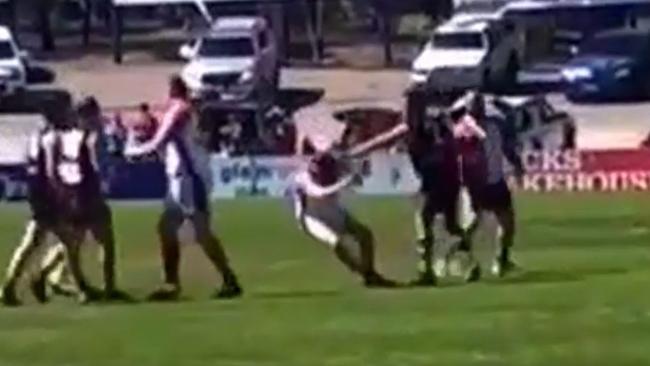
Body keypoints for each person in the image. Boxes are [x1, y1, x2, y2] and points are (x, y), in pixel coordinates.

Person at [124, 75, 242, 301]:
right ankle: (174, 283)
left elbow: (160, 141)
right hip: (182, 177)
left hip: (189, 177)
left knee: (200, 231)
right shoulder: (179, 110)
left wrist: (134, 150)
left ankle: (226, 279)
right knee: (169, 228)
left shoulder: (179, 110)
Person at [1, 100, 124, 306]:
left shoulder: (37, 135)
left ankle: (15, 285)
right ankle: (80, 289)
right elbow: (53, 171)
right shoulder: (54, 138)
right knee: (68, 244)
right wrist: (62, 195)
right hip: (52, 196)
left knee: (38, 242)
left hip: (38, 192)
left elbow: (31, 163)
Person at [291, 136, 397, 288]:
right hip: (312, 218)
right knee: (336, 242)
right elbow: (321, 192)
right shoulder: (303, 178)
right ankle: (363, 272)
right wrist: (345, 182)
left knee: (365, 235)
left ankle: (370, 272)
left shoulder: (333, 168)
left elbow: (359, 178)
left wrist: (360, 171)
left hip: (333, 211)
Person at [403, 87, 476, 285]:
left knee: (424, 220)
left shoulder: (420, 126)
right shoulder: (434, 124)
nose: (407, 107)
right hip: (445, 179)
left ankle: (426, 271)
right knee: (451, 226)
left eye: (410, 103)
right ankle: (470, 264)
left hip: (436, 180)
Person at [451, 91, 525, 277]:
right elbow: (457, 157)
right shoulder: (462, 129)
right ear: (467, 107)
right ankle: (464, 261)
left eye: (479, 103)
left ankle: (501, 260)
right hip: (476, 183)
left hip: (496, 180)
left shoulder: (494, 125)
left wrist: (516, 164)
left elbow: (504, 147)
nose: (478, 107)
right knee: (473, 223)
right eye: (474, 104)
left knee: (508, 223)